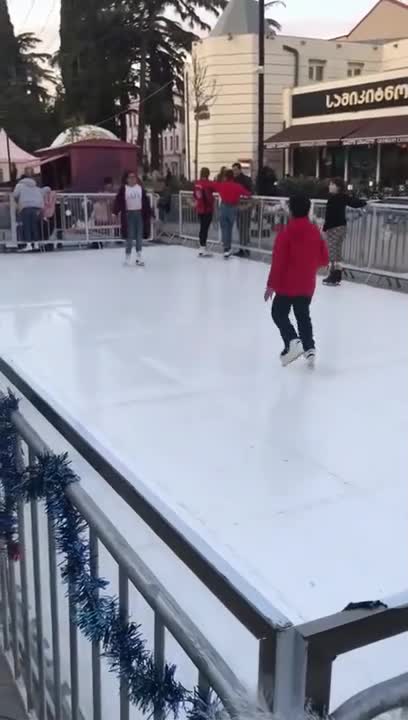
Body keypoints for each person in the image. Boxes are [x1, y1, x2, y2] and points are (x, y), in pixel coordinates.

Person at [264, 193, 329, 367]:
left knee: (278, 313)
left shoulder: (286, 233)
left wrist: (271, 285)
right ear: (308, 210)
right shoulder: (315, 232)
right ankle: (309, 349)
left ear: (291, 211)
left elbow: (278, 262)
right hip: (307, 283)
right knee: (302, 315)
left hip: (287, 284)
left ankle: (293, 341)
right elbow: (324, 259)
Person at [323, 178, 366, 286]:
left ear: (338, 187)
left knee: (333, 252)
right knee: (336, 252)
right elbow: (353, 202)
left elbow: (353, 202)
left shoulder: (338, 197)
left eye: (332, 184)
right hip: (339, 227)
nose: (329, 186)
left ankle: (333, 275)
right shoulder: (338, 197)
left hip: (335, 228)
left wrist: (363, 202)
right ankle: (336, 275)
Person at [113, 171, 151, 266]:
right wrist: (115, 212)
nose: (132, 179)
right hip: (128, 214)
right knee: (129, 236)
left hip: (139, 214)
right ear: (127, 179)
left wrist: (151, 214)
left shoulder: (140, 189)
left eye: (134, 177)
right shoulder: (124, 189)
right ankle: (127, 257)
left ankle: (139, 257)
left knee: (139, 236)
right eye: (130, 177)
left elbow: (146, 202)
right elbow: (119, 201)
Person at [214, 170, 251, 258]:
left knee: (224, 229)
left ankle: (226, 248)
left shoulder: (221, 185)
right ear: (232, 177)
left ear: (225, 177)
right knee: (229, 229)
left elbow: (213, 186)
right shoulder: (237, 186)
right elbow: (247, 194)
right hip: (233, 208)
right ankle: (228, 248)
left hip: (223, 207)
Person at [14, 175, 44, 250]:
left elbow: (15, 194)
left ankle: (29, 245)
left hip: (26, 206)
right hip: (36, 207)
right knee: (34, 225)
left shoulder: (20, 185)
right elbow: (41, 193)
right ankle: (36, 244)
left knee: (27, 226)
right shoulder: (35, 185)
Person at [232, 162, 253, 257]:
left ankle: (245, 248)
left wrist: (248, 203)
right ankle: (242, 248)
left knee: (244, 227)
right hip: (237, 206)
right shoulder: (233, 180)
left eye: (236, 170)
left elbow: (250, 192)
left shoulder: (246, 180)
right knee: (240, 227)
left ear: (240, 169)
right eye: (233, 170)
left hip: (245, 206)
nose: (234, 172)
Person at [193, 167, 215, 257]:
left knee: (202, 228)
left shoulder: (197, 183)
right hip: (207, 209)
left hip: (200, 209)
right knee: (205, 229)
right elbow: (210, 197)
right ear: (208, 174)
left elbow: (194, 194)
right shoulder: (208, 184)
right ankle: (203, 247)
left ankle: (202, 247)